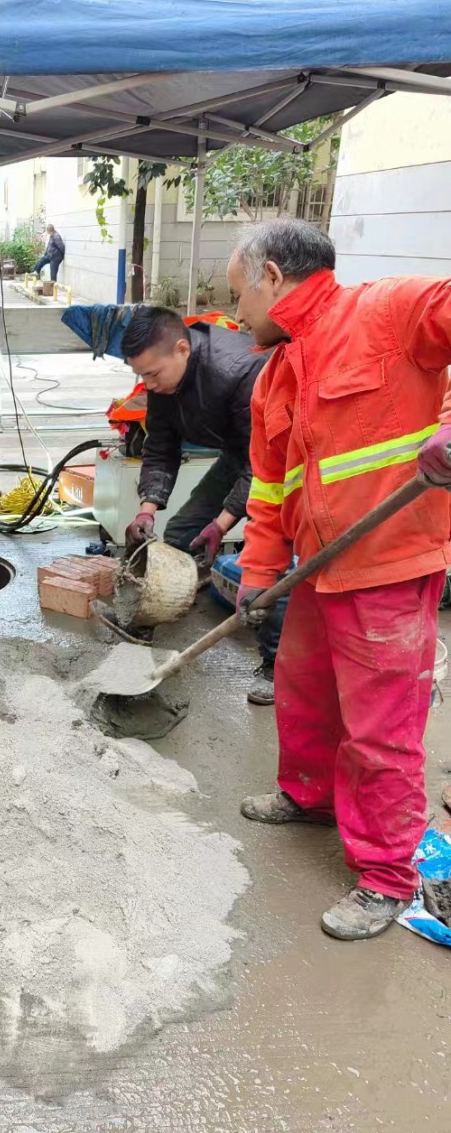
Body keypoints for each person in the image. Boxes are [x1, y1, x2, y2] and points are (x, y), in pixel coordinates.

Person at [228, 217, 451, 941]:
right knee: (304, 695)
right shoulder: (277, 374)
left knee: (380, 732)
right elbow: (268, 487)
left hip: (386, 564)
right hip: (314, 571)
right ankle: (308, 795)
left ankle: (386, 877)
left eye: (238, 296)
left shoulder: (387, 311)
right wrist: (258, 572)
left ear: (270, 277)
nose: (236, 316)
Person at [121, 306, 280, 703]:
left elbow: (260, 465)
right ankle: (162, 610)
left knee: (268, 563)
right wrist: (146, 510)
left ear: (181, 349)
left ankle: (276, 666)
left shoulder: (240, 371)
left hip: (283, 456)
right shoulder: (163, 382)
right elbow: (160, 447)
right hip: (239, 453)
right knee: (180, 534)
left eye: (152, 374)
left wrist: (223, 523)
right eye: (141, 375)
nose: (147, 383)